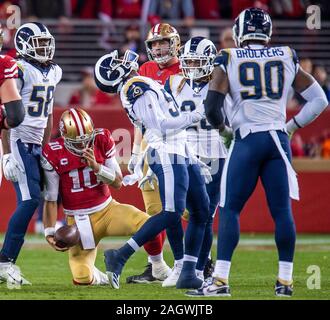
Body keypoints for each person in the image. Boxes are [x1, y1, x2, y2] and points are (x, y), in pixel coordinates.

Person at [187, 8, 328, 297]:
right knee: (282, 212)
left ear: (239, 32)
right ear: (268, 33)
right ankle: (285, 282)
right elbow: (319, 100)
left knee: (229, 210)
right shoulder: (286, 55)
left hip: (247, 139)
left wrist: (226, 133)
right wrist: (290, 126)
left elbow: (212, 108)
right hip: (277, 140)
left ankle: (220, 281)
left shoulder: (228, 57)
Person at [94, 49, 210, 289]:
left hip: (179, 150)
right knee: (172, 212)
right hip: (166, 151)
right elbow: (162, 126)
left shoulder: (140, 83)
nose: (123, 59)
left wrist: (191, 156)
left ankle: (186, 270)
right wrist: (195, 116)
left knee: (201, 210)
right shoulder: (135, 86)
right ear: (116, 72)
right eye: (117, 62)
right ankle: (120, 255)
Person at [41, 108, 167, 285]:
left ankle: (158, 267)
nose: (83, 145)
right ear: (64, 137)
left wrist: (97, 167)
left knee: (153, 226)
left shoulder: (101, 138)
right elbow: (51, 199)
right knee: (82, 277)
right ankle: (101, 278)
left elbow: (117, 182)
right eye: (77, 142)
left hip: (108, 210)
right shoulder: (53, 152)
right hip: (78, 221)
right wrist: (49, 232)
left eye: (87, 139)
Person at [162, 36, 230, 286]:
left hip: (214, 153)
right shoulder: (175, 83)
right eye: (187, 60)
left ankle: (200, 269)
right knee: (174, 211)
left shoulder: (222, 82)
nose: (190, 65)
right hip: (184, 151)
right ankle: (181, 265)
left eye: (196, 61)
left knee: (205, 214)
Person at [0, 22, 61, 285]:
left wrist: (45, 147)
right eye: (39, 44)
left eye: (46, 43)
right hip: (18, 139)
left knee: (38, 197)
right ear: (24, 45)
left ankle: (6, 261)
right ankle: (5, 262)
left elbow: (47, 115)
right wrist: (6, 153)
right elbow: (7, 114)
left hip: (35, 143)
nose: (44, 49)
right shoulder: (19, 69)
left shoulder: (54, 71)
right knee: (29, 200)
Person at [126, 23, 181, 284]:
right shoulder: (145, 70)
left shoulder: (186, 68)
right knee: (153, 210)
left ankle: (198, 260)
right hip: (151, 144)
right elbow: (140, 119)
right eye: (154, 43)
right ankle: (156, 266)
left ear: (175, 43)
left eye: (163, 42)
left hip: (180, 143)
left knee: (190, 207)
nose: (158, 47)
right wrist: (137, 152)